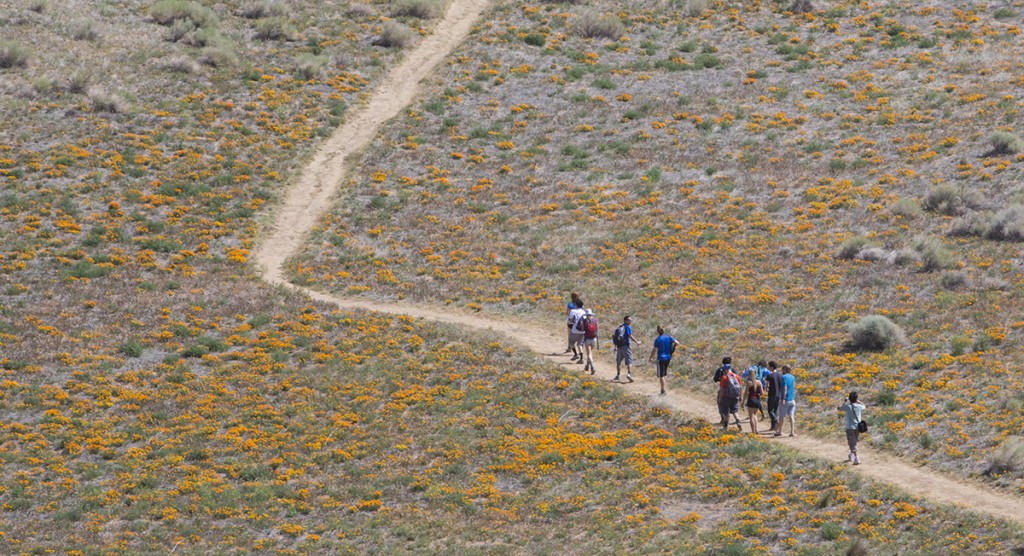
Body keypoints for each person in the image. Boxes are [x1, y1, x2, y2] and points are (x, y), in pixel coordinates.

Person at [647, 326, 679, 395]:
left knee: (661, 375)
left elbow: (654, 349)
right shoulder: (669, 337)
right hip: (668, 357)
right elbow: (677, 342)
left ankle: (663, 390)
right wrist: (672, 349)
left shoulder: (658, 339)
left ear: (657, 332)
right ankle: (664, 388)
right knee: (665, 373)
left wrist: (650, 357)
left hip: (661, 358)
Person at [839, 391, 866, 465]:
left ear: (849, 398)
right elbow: (864, 405)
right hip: (858, 427)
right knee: (854, 441)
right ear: (856, 398)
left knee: (852, 442)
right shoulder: (859, 406)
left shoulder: (847, 407)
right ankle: (851, 455)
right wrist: (857, 401)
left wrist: (845, 401)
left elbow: (839, 408)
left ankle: (856, 458)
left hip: (850, 427)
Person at [612, 315, 641, 382]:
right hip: (626, 347)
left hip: (619, 347)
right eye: (629, 320)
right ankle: (629, 374)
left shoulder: (620, 327)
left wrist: (615, 347)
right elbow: (630, 336)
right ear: (625, 320)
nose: (631, 321)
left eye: (631, 320)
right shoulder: (627, 327)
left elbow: (616, 338)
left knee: (618, 362)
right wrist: (637, 342)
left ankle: (618, 375)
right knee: (629, 361)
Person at [718, 363, 743, 431]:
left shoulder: (724, 377)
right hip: (735, 396)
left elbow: (722, 389)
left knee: (726, 412)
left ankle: (725, 427)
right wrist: (740, 396)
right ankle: (738, 421)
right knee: (735, 411)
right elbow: (740, 387)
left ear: (725, 370)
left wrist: (720, 398)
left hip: (726, 397)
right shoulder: (737, 376)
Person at [777, 365, 797, 437]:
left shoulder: (784, 377)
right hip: (792, 399)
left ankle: (779, 431)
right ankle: (792, 431)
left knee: (782, 416)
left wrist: (783, 398)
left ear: (785, 370)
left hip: (786, 399)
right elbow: (793, 386)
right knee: (791, 416)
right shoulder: (793, 377)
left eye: (782, 369)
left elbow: (785, 388)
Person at [764, 361, 782, 432]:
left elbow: (767, 385)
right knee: (775, 410)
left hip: (772, 394)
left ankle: (775, 420)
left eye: (769, 366)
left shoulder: (770, 375)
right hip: (778, 395)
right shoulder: (780, 375)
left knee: (770, 410)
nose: (768, 367)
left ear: (771, 367)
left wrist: (765, 390)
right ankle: (773, 426)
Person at [580, 309, 599, 375]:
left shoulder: (584, 321)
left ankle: (592, 367)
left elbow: (582, 330)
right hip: (594, 339)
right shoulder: (595, 321)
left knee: (589, 354)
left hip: (587, 339)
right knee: (590, 353)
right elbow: (597, 330)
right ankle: (587, 366)